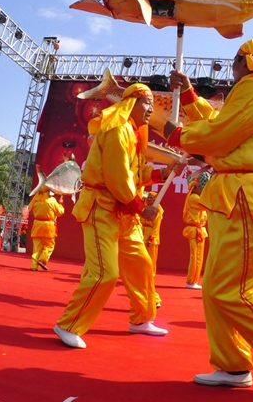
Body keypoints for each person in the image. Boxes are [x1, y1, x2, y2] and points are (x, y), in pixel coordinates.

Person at [167, 39, 253, 390]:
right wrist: (188, 97)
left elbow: (220, 134)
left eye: (234, 60)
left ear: (246, 61)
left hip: (243, 196)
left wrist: (180, 135)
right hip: (232, 195)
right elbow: (224, 123)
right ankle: (232, 366)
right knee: (215, 287)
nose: (230, 67)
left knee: (236, 288)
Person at [53, 84, 180, 350]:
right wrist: (139, 207)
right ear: (131, 103)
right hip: (102, 209)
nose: (151, 111)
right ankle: (69, 324)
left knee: (142, 266)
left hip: (123, 213)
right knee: (105, 273)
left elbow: (135, 175)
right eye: (147, 104)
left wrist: (162, 174)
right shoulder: (116, 130)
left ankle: (141, 319)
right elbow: (117, 178)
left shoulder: (133, 135)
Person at [27, 187, 65, 271]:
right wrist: (60, 202)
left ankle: (34, 266)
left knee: (36, 247)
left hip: (37, 225)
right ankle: (42, 259)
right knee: (49, 245)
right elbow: (59, 212)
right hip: (48, 226)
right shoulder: (52, 200)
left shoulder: (36, 200)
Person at [182, 175, 209, 289]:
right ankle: (191, 281)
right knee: (195, 256)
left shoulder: (197, 197)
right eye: (199, 186)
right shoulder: (193, 198)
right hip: (194, 230)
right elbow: (206, 205)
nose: (201, 187)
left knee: (199, 257)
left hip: (200, 230)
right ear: (193, 189)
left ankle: (194, 280)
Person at [141, 190, 164, 309]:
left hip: (150, 238)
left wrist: (151, 238)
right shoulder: (144, 208)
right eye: (148, 197)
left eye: (151, 198)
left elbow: (156, 227)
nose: (149, 199)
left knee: (149, 264)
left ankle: (153, 297)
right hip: (141, 236)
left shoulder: (157, 210)